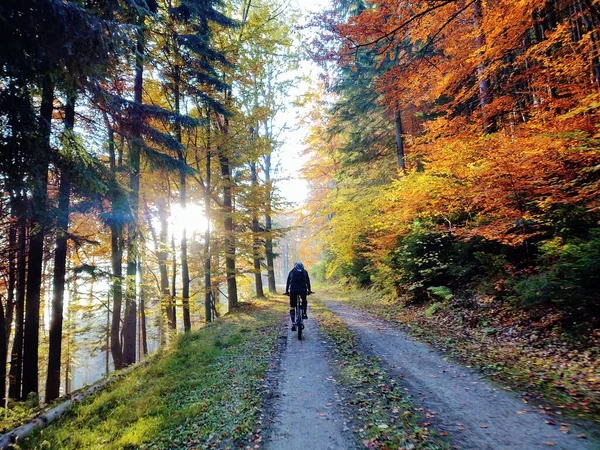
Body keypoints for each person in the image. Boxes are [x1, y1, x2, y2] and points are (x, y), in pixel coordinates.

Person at [285, 261, 312, 331]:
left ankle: (293, 322)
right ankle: (304, 313)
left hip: (293, 290)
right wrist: (309, 290)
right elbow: (308, 282)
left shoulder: (291, 272)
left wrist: (287, 291)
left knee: (292, 306)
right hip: (303, 290)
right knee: (304, 300)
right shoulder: (305, 272)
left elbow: (288, 282)